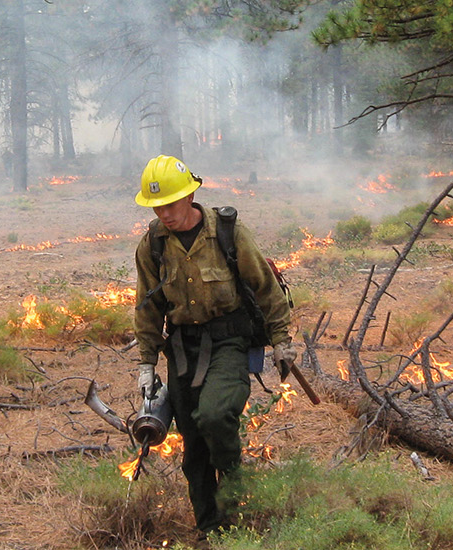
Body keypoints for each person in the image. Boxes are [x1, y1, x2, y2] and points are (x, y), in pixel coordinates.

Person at [132, 154, 295, 537]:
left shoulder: (228, 232)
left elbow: (265, 287)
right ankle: (211, 530)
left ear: (190, 197)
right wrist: (146, 364)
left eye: (170, 204)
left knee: (216, 415)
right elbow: (148, 307)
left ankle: (236, 494)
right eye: (157, 206)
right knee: (193, 448)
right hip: (183, 351)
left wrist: (282, 341)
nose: (164, 214)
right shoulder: (152, 245)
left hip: (229, 342)